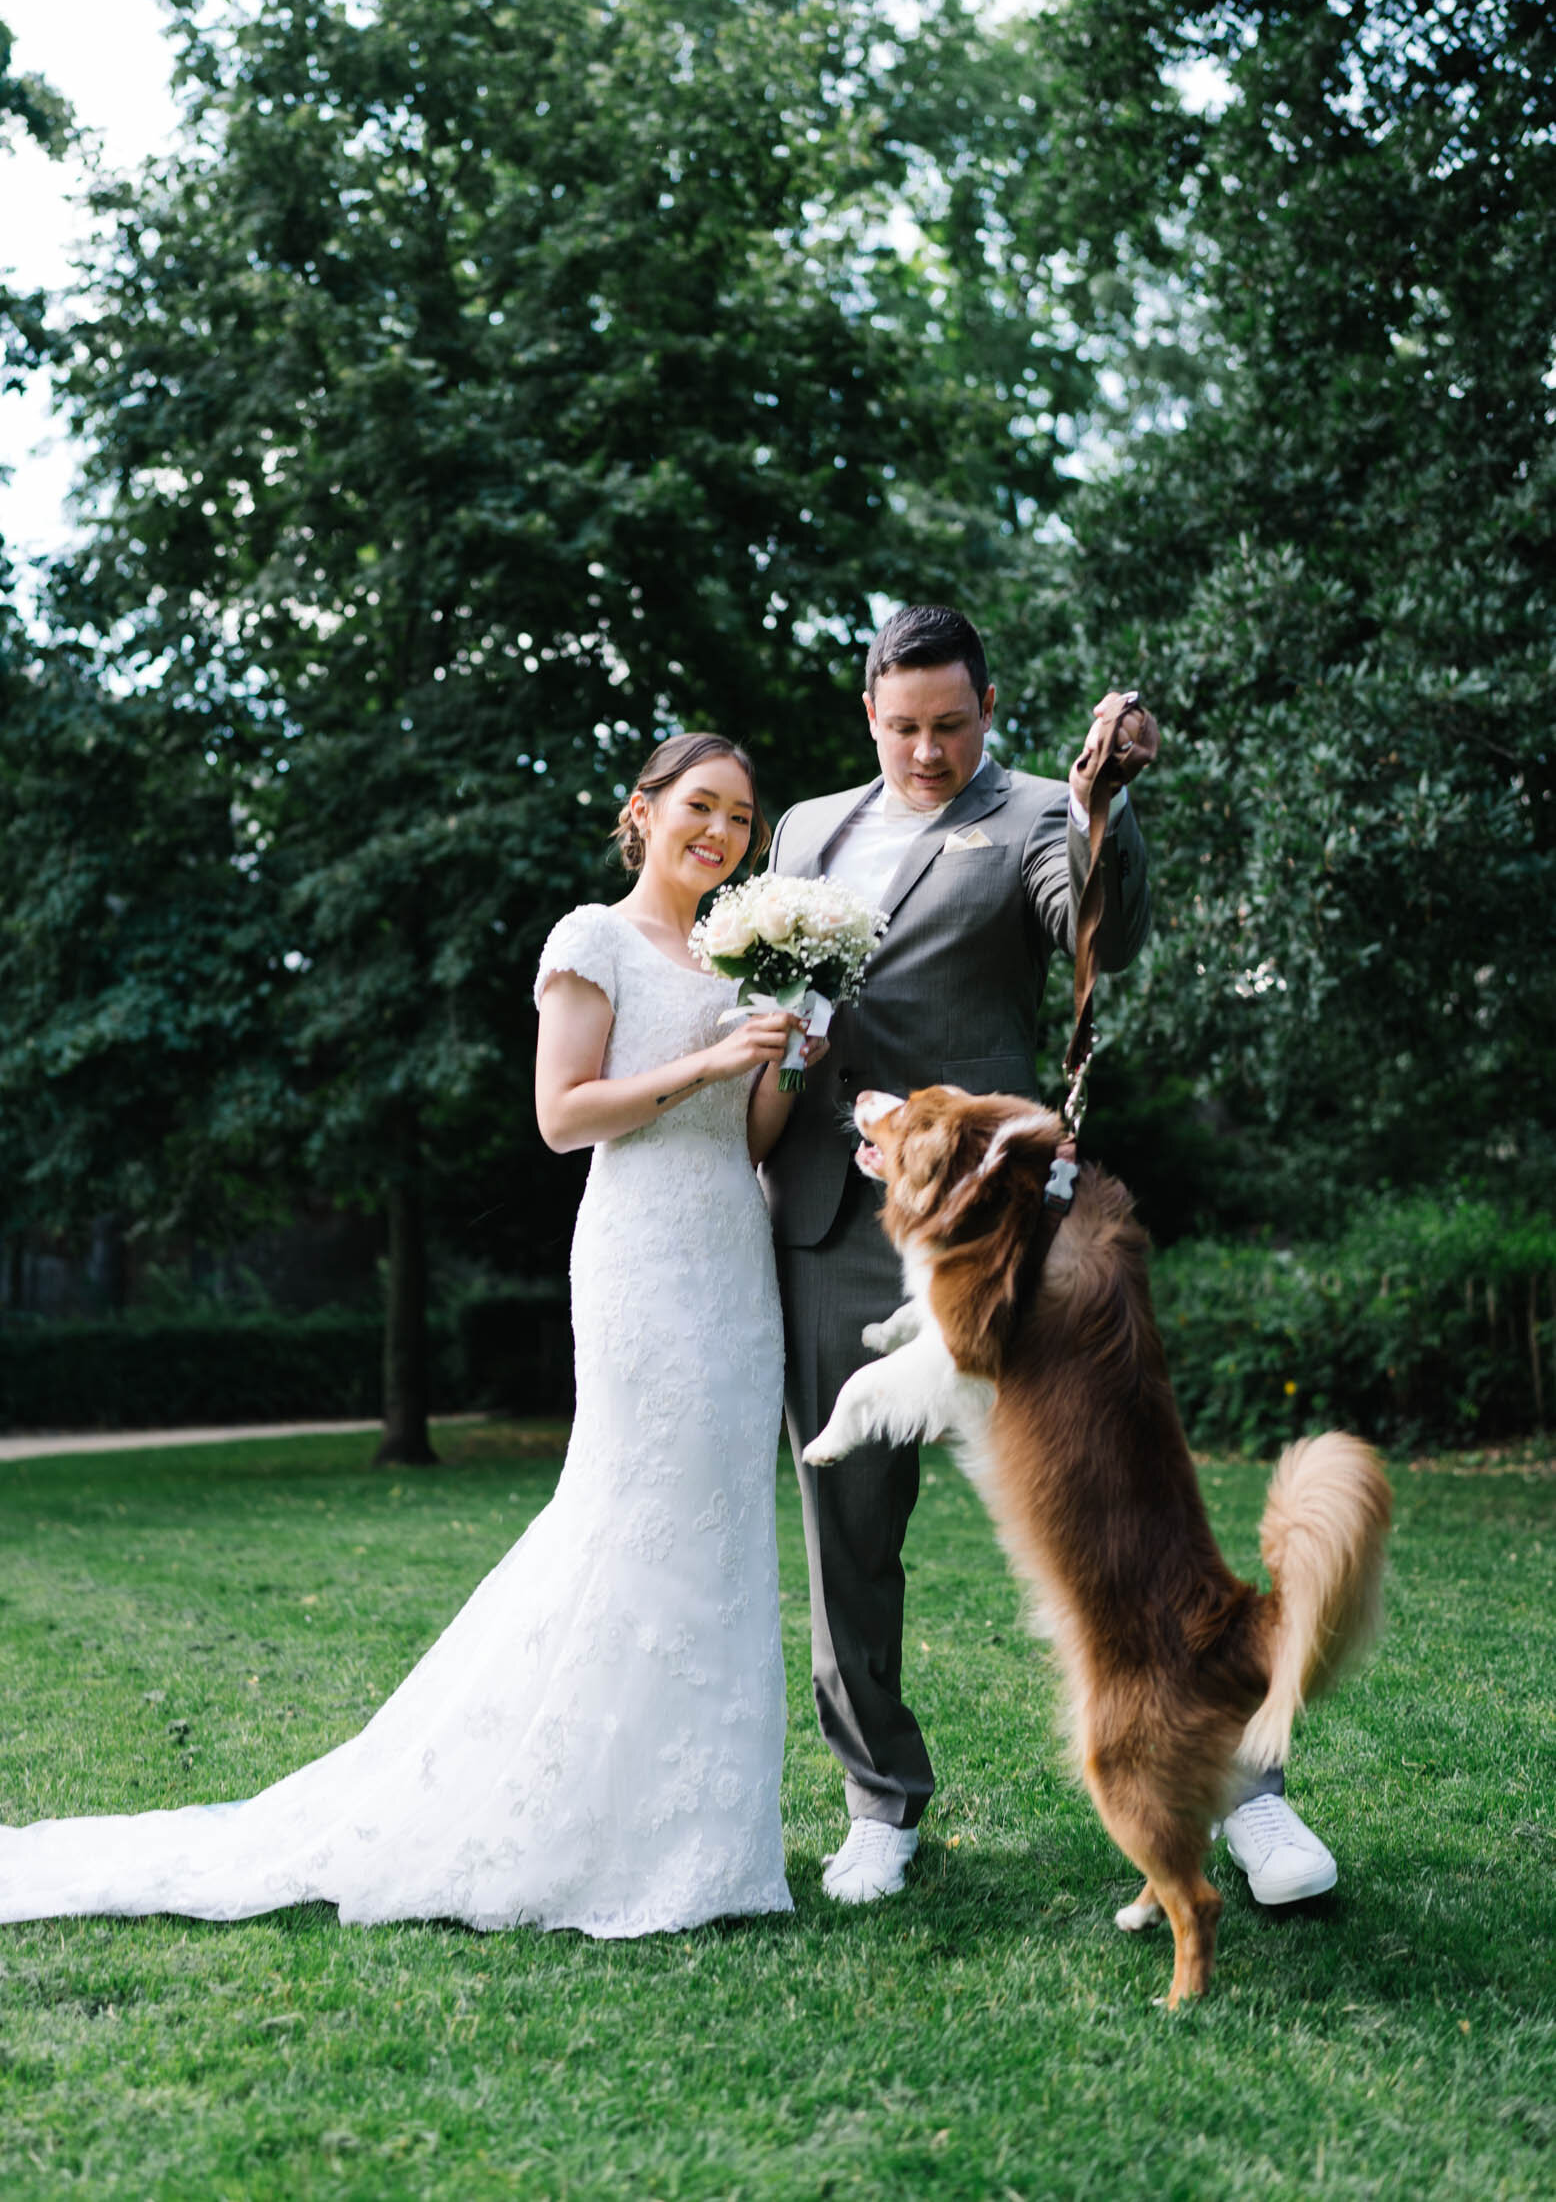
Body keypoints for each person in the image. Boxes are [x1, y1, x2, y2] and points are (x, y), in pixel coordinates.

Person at [0, 733, 809, 1938]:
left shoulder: (738, 956)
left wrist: (785, 1055)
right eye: (701, 805)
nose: (724, 832)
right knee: (632, 1513)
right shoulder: (590, 938)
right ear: (640, 813)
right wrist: (707, 1057)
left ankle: (702, 1840)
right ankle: (568, 1819)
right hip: (640, 1259)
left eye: (742, 816)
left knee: (722, 1526)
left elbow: (743, 1139)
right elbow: (560, 1115)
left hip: (730, 1258)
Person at [764, 604, 1338, 1910]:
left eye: (951, 726)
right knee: (844, 1532)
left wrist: (1105, 803)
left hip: (1001, 1227)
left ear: (987, 710)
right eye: (903, 727)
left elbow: (1104, 929)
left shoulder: (1034, 810)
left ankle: (1248, 1798)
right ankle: (879, 1803)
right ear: (869, 713)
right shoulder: (807, 830)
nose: (926, 751)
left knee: (1121, 1514)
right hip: (830, 1210)